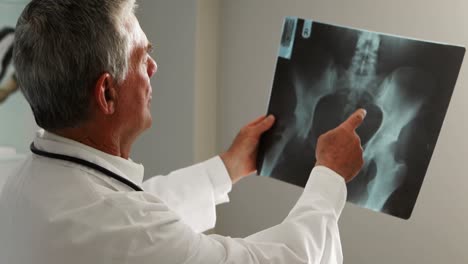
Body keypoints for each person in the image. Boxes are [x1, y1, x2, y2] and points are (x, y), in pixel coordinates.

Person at [0, 0, 365, 263]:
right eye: (142, 57)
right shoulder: (125, 230)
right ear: (107, 93)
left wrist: (227, 168)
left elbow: (132, 211)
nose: (154, 67)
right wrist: (329, 177)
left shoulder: (18, 181)